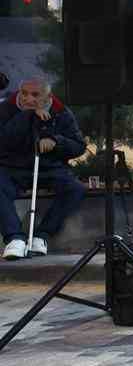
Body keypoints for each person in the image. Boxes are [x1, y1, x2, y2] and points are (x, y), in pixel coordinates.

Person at [0, 78, 87, 259]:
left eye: (35, 95)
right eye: (24, 93)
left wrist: (56, 142)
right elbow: (4, 141)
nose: (27, 99)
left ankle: (42, 236)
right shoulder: (6, 109)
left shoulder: (61, 112)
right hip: (12, 168)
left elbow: (79, 146)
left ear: (48, 96)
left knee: (75, 189)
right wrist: (27, 115)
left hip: (49, 168)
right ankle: (14, 239)